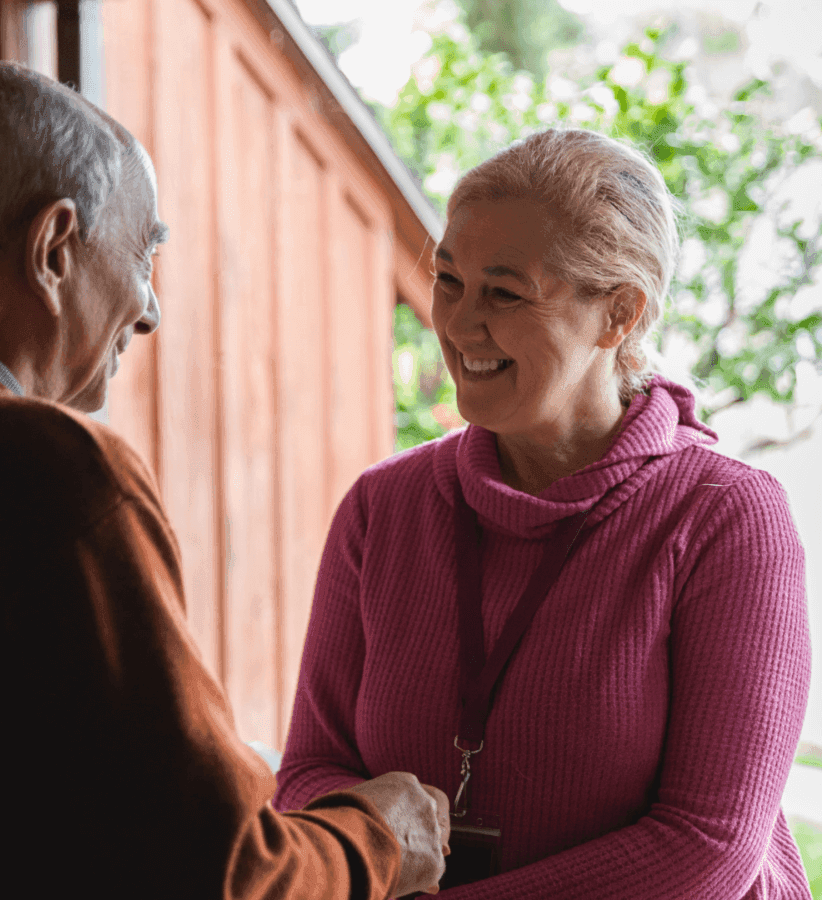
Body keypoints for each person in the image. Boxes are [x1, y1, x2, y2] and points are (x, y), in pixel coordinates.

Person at [0, 60, 452, 897]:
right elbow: (223, 873)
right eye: (144, 254)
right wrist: (378, 837)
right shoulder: (53, 474)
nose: (149, 309)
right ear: (52, 247)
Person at [273, 128, 812, 898]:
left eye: (504, 292)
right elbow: (309, 774)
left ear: (619, 314)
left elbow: (708, 848)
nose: (458, 327)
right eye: (449, 280)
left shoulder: (725, 519)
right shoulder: (381, 508)